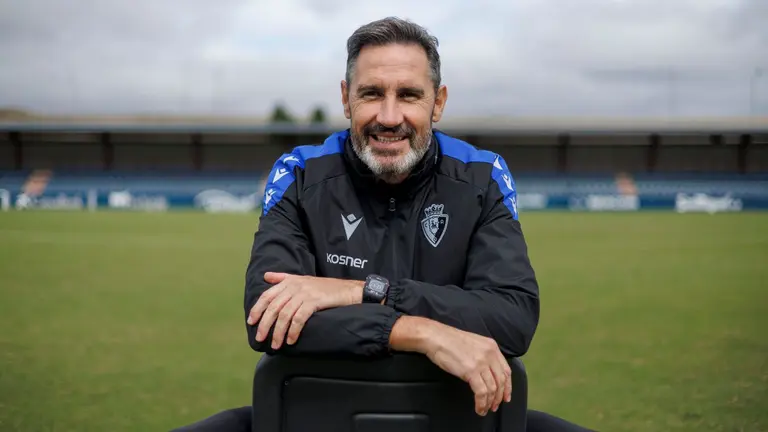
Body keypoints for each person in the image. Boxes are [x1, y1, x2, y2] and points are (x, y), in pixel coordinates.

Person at [173, 16, 595, 432]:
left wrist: (360, 292)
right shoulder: (300, 174)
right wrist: (419, 331)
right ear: (345, 99)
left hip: (456, 419)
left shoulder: (482, 177)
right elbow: (266, 314)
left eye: (409, 95)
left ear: (439, 102)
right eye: (372, 93)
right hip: (318, 415)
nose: (389, 117)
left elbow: (512, 317)